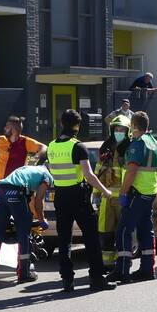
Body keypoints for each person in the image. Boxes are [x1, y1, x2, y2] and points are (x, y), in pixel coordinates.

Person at [47, 110, 117, 293]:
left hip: (60, 196)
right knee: (91, 237)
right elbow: (89, 175)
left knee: (64, 239)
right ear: (77, 126)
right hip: (77, 196)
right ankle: (96, 279)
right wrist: (105, 191)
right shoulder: (78, 147)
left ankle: (67, 280)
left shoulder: (52, 146)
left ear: (62, 123)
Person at [110, 110, 157, 284]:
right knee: (146, 231)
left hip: (136, 194)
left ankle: (122, 270)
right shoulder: (154, 143)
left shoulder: (137, 144)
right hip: (150, 193)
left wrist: (123, 193)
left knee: (124, 231)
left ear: (133, 126)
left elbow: (131, 171)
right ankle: (148, 269)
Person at [0, 164, 52, 284]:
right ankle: (23, 273)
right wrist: (41, 220)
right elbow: (38, 200)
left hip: (1, 191)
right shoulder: (47, 176)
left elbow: (29, 198)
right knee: (23, 233)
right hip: (15, 193)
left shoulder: (29, 169)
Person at [0, 116, 46, 212]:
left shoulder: (25, 141)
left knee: (23, 208)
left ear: (13, 129)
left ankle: (37, 222)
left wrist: (35, 157)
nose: (4, 128)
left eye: (7, 126)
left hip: (16, 184)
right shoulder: (0, 139)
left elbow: (44, 147)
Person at [96, 115, 131, 269]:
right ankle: (107, 263)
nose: (119, 131)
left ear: (127, 130)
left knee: (123, 232)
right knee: (105, 231)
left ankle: (123, 263)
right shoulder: (106, 147)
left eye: (122, 129)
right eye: (116, 129)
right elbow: (98, 172)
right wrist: (96, 194)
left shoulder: (131, 147)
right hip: (107, 197)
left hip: (124, 196)